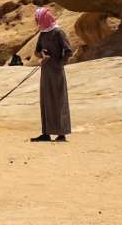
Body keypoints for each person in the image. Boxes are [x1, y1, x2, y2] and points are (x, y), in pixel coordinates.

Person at [31, 7, 73, 142]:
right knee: (46, 100)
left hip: (56, 71)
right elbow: (37, 51)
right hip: (46, 71)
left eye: (38, 18)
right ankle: (46, 133)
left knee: (58, 100)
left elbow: (68, 51)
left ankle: (61, 134)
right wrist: (42, 54)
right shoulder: (43, 34)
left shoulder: (58, 32)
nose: (37, 21)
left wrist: (59, 63)